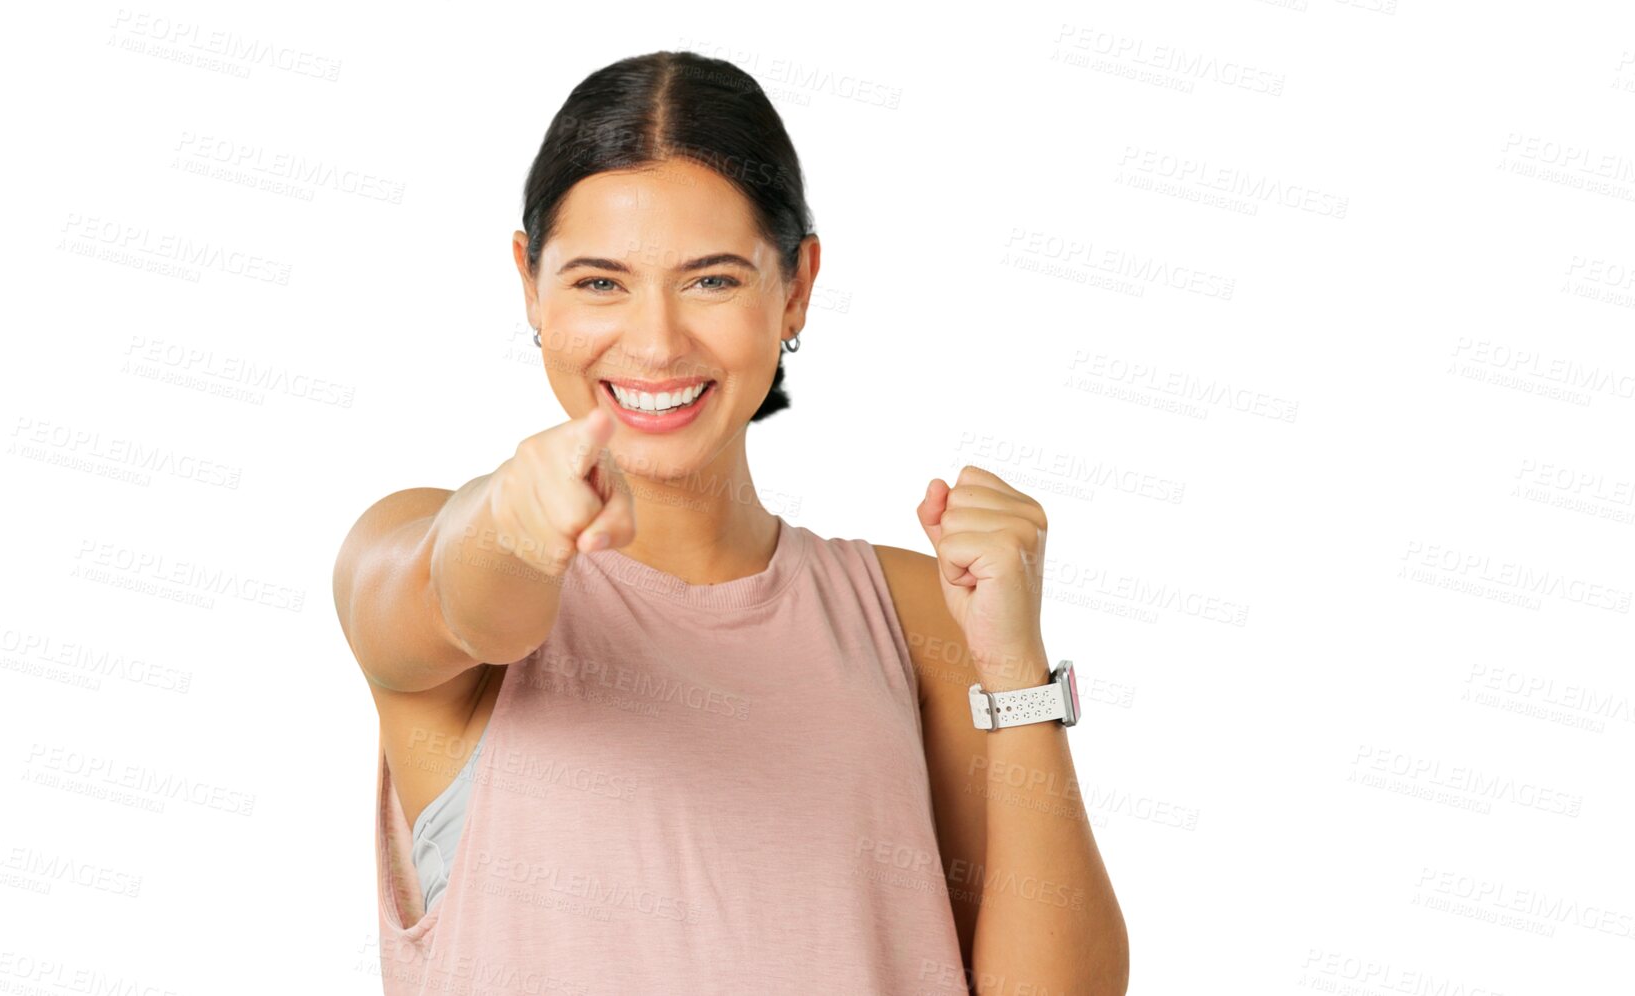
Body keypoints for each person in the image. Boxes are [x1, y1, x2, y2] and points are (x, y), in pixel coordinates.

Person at [331, 49, 1129, 996]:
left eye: (711, 280)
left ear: (794, 287)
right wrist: (512, 519)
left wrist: (1013, 670)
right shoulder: (420, 544)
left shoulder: (914, 616)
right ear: (528, 283)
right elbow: (467, 601)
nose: (657, 340)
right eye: (598, 282)